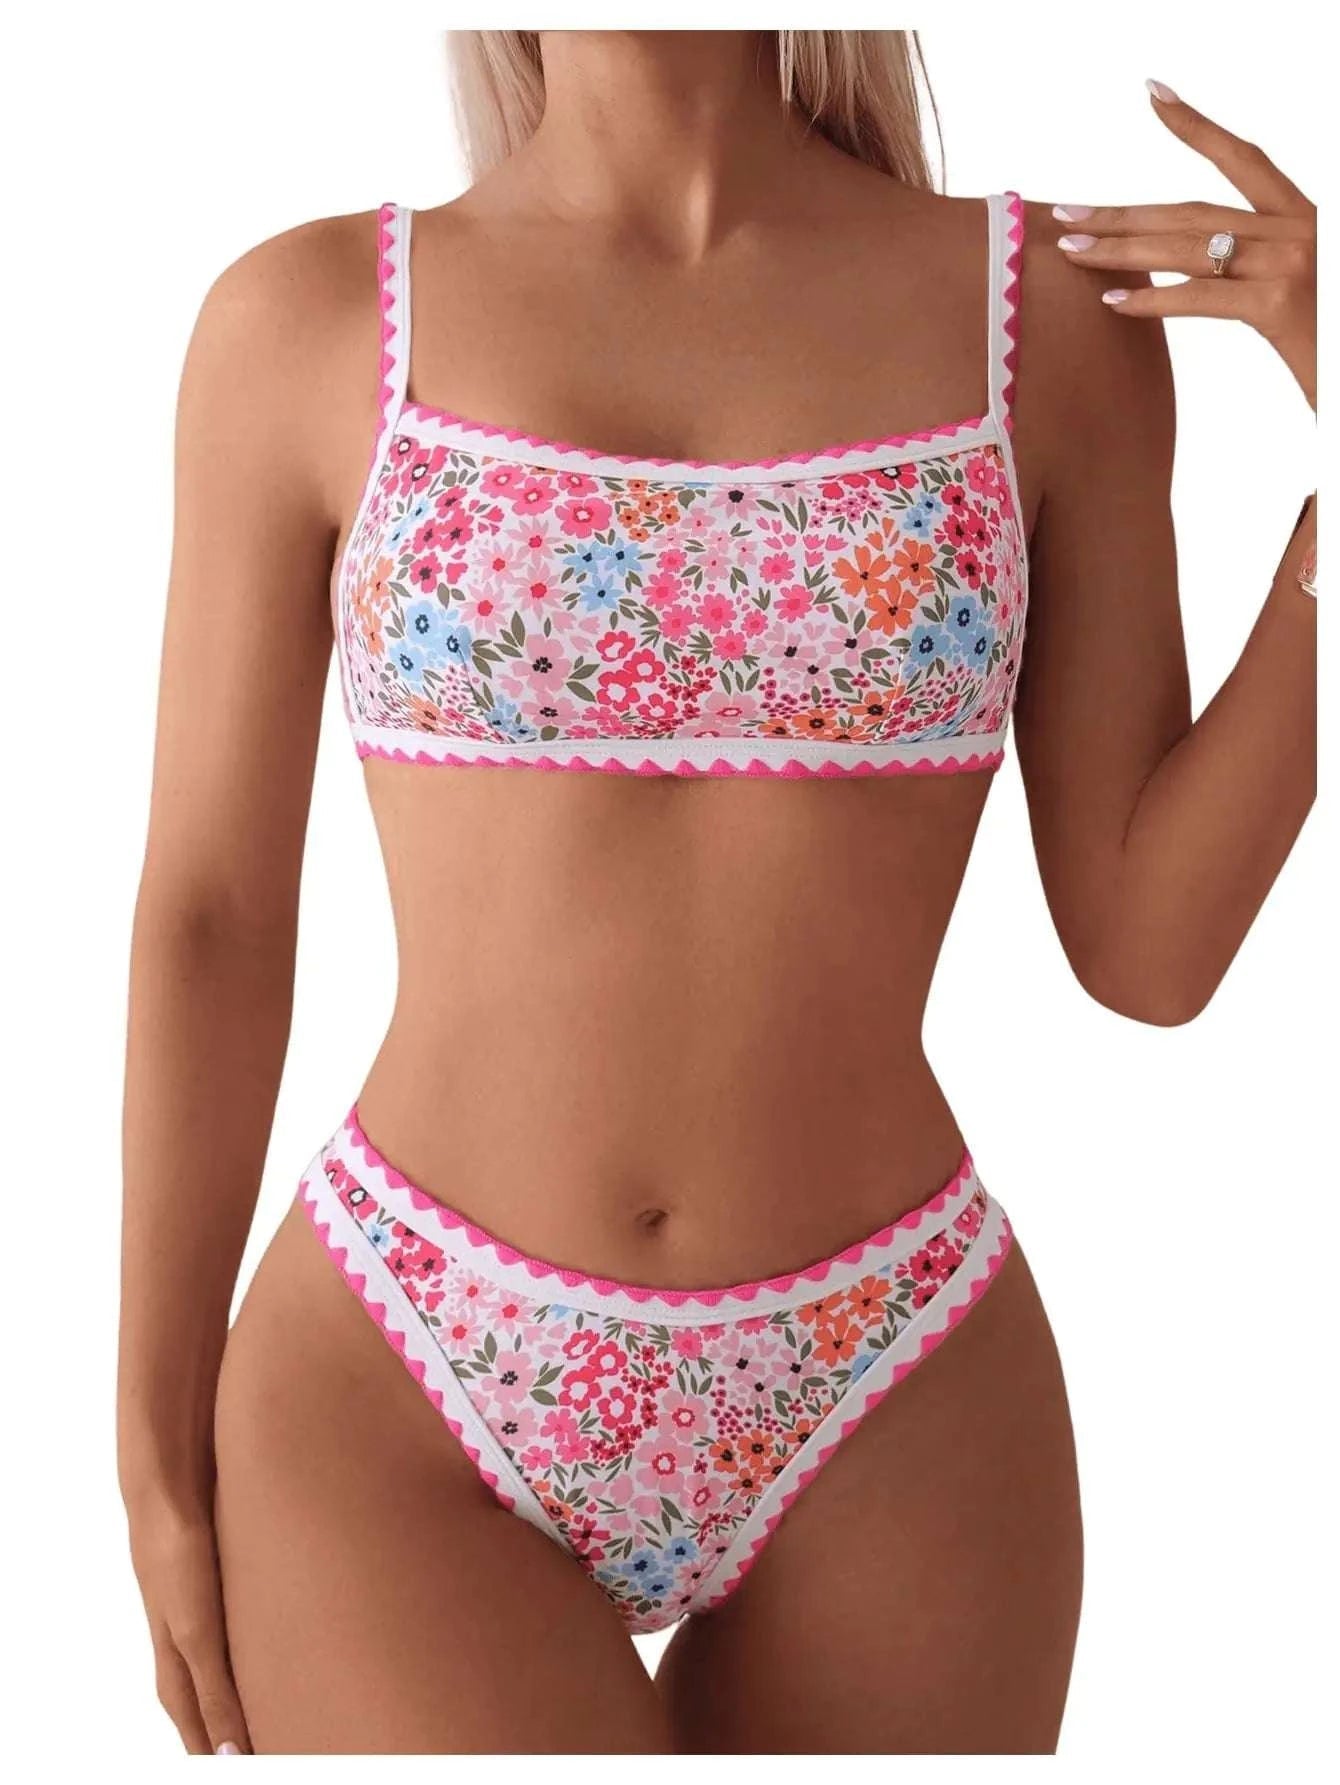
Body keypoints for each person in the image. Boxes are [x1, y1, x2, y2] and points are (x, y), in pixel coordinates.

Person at [118, 30, 1317, 1756]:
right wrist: (149, 1444)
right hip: (405, 1378)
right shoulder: (304, 324)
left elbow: (1151, 944)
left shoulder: (1046, 325)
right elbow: (212, 916)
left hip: (893, 1376)